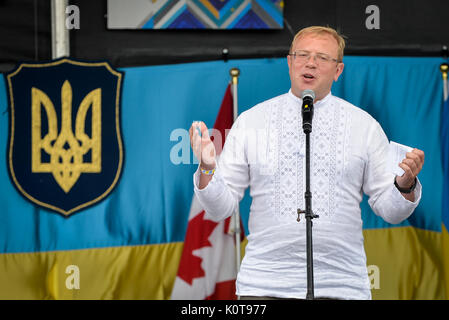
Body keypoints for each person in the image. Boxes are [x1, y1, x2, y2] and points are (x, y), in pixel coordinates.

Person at [188, 26, 425, 300]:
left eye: (323, 58)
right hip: (264, 287)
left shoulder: (364, 126)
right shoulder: (251, 122)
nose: (310, 63)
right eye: (302, 55)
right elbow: (220, 208)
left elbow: (391, 211)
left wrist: (404, 185)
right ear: (290, 62)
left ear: (338, 71)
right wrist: (207, 168)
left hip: (342, 286)